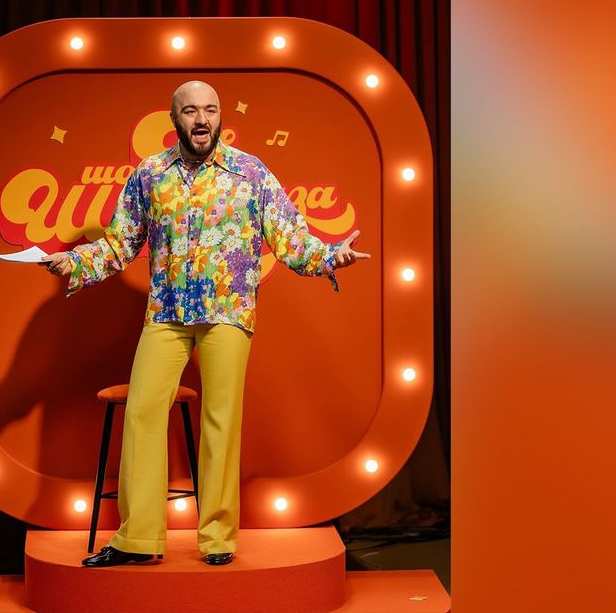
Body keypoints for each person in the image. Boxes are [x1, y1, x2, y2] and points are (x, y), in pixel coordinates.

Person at [39, 81, 369, 567]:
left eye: (210, 110)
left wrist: (329, 257)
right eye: (191, 110)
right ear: (175, 119)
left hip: (228, 311)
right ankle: (137, 540)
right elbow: (119, 243)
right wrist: (75, 263)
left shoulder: (251, 172)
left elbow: (291, 238)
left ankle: (217, 538)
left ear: (220, 117)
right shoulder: (150, 174)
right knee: (142, 414)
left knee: (220, 421)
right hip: (167, 311)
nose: (201, 119)